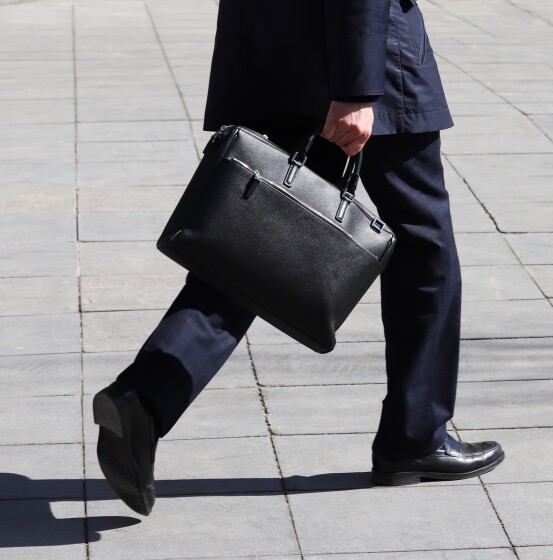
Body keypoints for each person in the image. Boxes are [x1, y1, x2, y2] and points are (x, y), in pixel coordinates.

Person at [92, 0, 505, 516]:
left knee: (257, 245)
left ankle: (145, 400)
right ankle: (416, 435)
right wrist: (356, 86)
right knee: (424, 246)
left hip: (279, 48)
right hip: (364, 59)